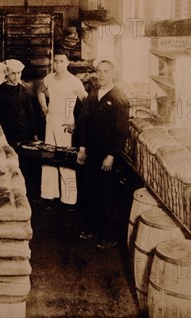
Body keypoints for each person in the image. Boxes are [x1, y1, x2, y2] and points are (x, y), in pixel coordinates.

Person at [76, 59, 130, 249]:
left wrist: (112, 155)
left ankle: (109, 235)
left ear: (113, 73)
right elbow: (83, 122)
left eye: (106, 71)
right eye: (99, 71)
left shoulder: (119, 99)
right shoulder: (93, 94)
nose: (102, 75)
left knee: (108, 194)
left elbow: (121, 131)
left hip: (107, 155)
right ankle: (93, 228)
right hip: (91, 152)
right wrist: (82, 147)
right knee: (91, 190)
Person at [37, 53, 87, 208]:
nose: (58, 64)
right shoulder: (49, 78)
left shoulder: (74, 81)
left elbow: (87, 102)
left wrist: (77, 124)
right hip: (50, 121)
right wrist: (45, 109)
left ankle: (69, 200)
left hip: (66, 123)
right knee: (49, 157)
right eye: (56, 61)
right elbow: (40, 91)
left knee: (66, 159)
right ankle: (48, 196)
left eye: (61, 61)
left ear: (67, 63)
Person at [0, 59, 42, 199]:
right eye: (13, 73)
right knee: (10, 165)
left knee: (26, 165)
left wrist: (34, 133)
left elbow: (31, 114)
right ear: (6, 73)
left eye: (19, 73)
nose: (16, 76)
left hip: (24, 134)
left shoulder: (24, 91)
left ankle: (27, 195)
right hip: (7, 135)